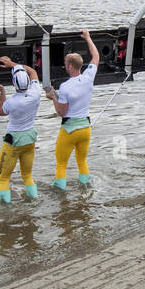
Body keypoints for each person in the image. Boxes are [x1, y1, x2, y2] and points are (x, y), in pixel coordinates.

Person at [45, 29, 98, 190]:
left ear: (69, 66)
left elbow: (61, 111)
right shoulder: (89, 77)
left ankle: (60, 194)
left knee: (61, 164)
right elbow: (96, 56)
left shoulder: (65, 87)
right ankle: (85, 189)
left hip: (69, 130)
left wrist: (53, 96)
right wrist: (88, 38)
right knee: (82, 162)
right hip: (85, 129)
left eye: (66, 64)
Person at [0, 56, 42, 204]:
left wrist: (2, 91)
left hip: (13, 142)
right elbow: (33, 71)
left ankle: (5, 210)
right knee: (27, 175)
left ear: (14, 84)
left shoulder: (12, 102)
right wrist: (13, 64)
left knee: (3, 177)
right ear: (28, 82)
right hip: (29, 140)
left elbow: (1, 111)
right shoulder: (35, 93)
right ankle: (35, 201)